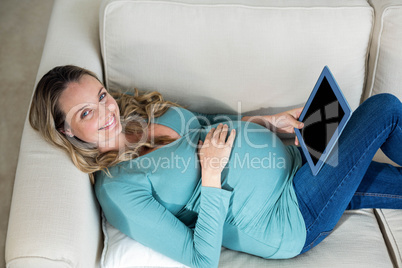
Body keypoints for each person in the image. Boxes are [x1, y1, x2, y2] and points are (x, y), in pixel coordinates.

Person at [29, 65, 402, 267]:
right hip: (292, 215)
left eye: (101, 96)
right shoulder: (117, 188)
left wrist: (268, 123)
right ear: (66, 130)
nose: (107, 111)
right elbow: (200, 258)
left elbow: (209, 126)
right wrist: (209, 175)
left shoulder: (136, 114)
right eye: (86, 113)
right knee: (384, 108)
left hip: (302, 159)